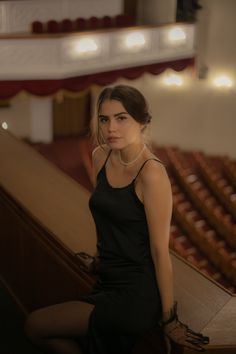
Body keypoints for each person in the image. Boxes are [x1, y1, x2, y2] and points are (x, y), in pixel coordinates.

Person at [24, 85, 209, 354]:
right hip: (107, 279)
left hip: (136, 292)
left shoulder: (151, 173)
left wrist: (169, 318)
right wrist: (101, 260)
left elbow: (160, 252)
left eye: (121, 118)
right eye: (104, 119)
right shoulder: (101, 155)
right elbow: (108, 219)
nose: (111, 127)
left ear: (142, 122)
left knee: (35, 325)